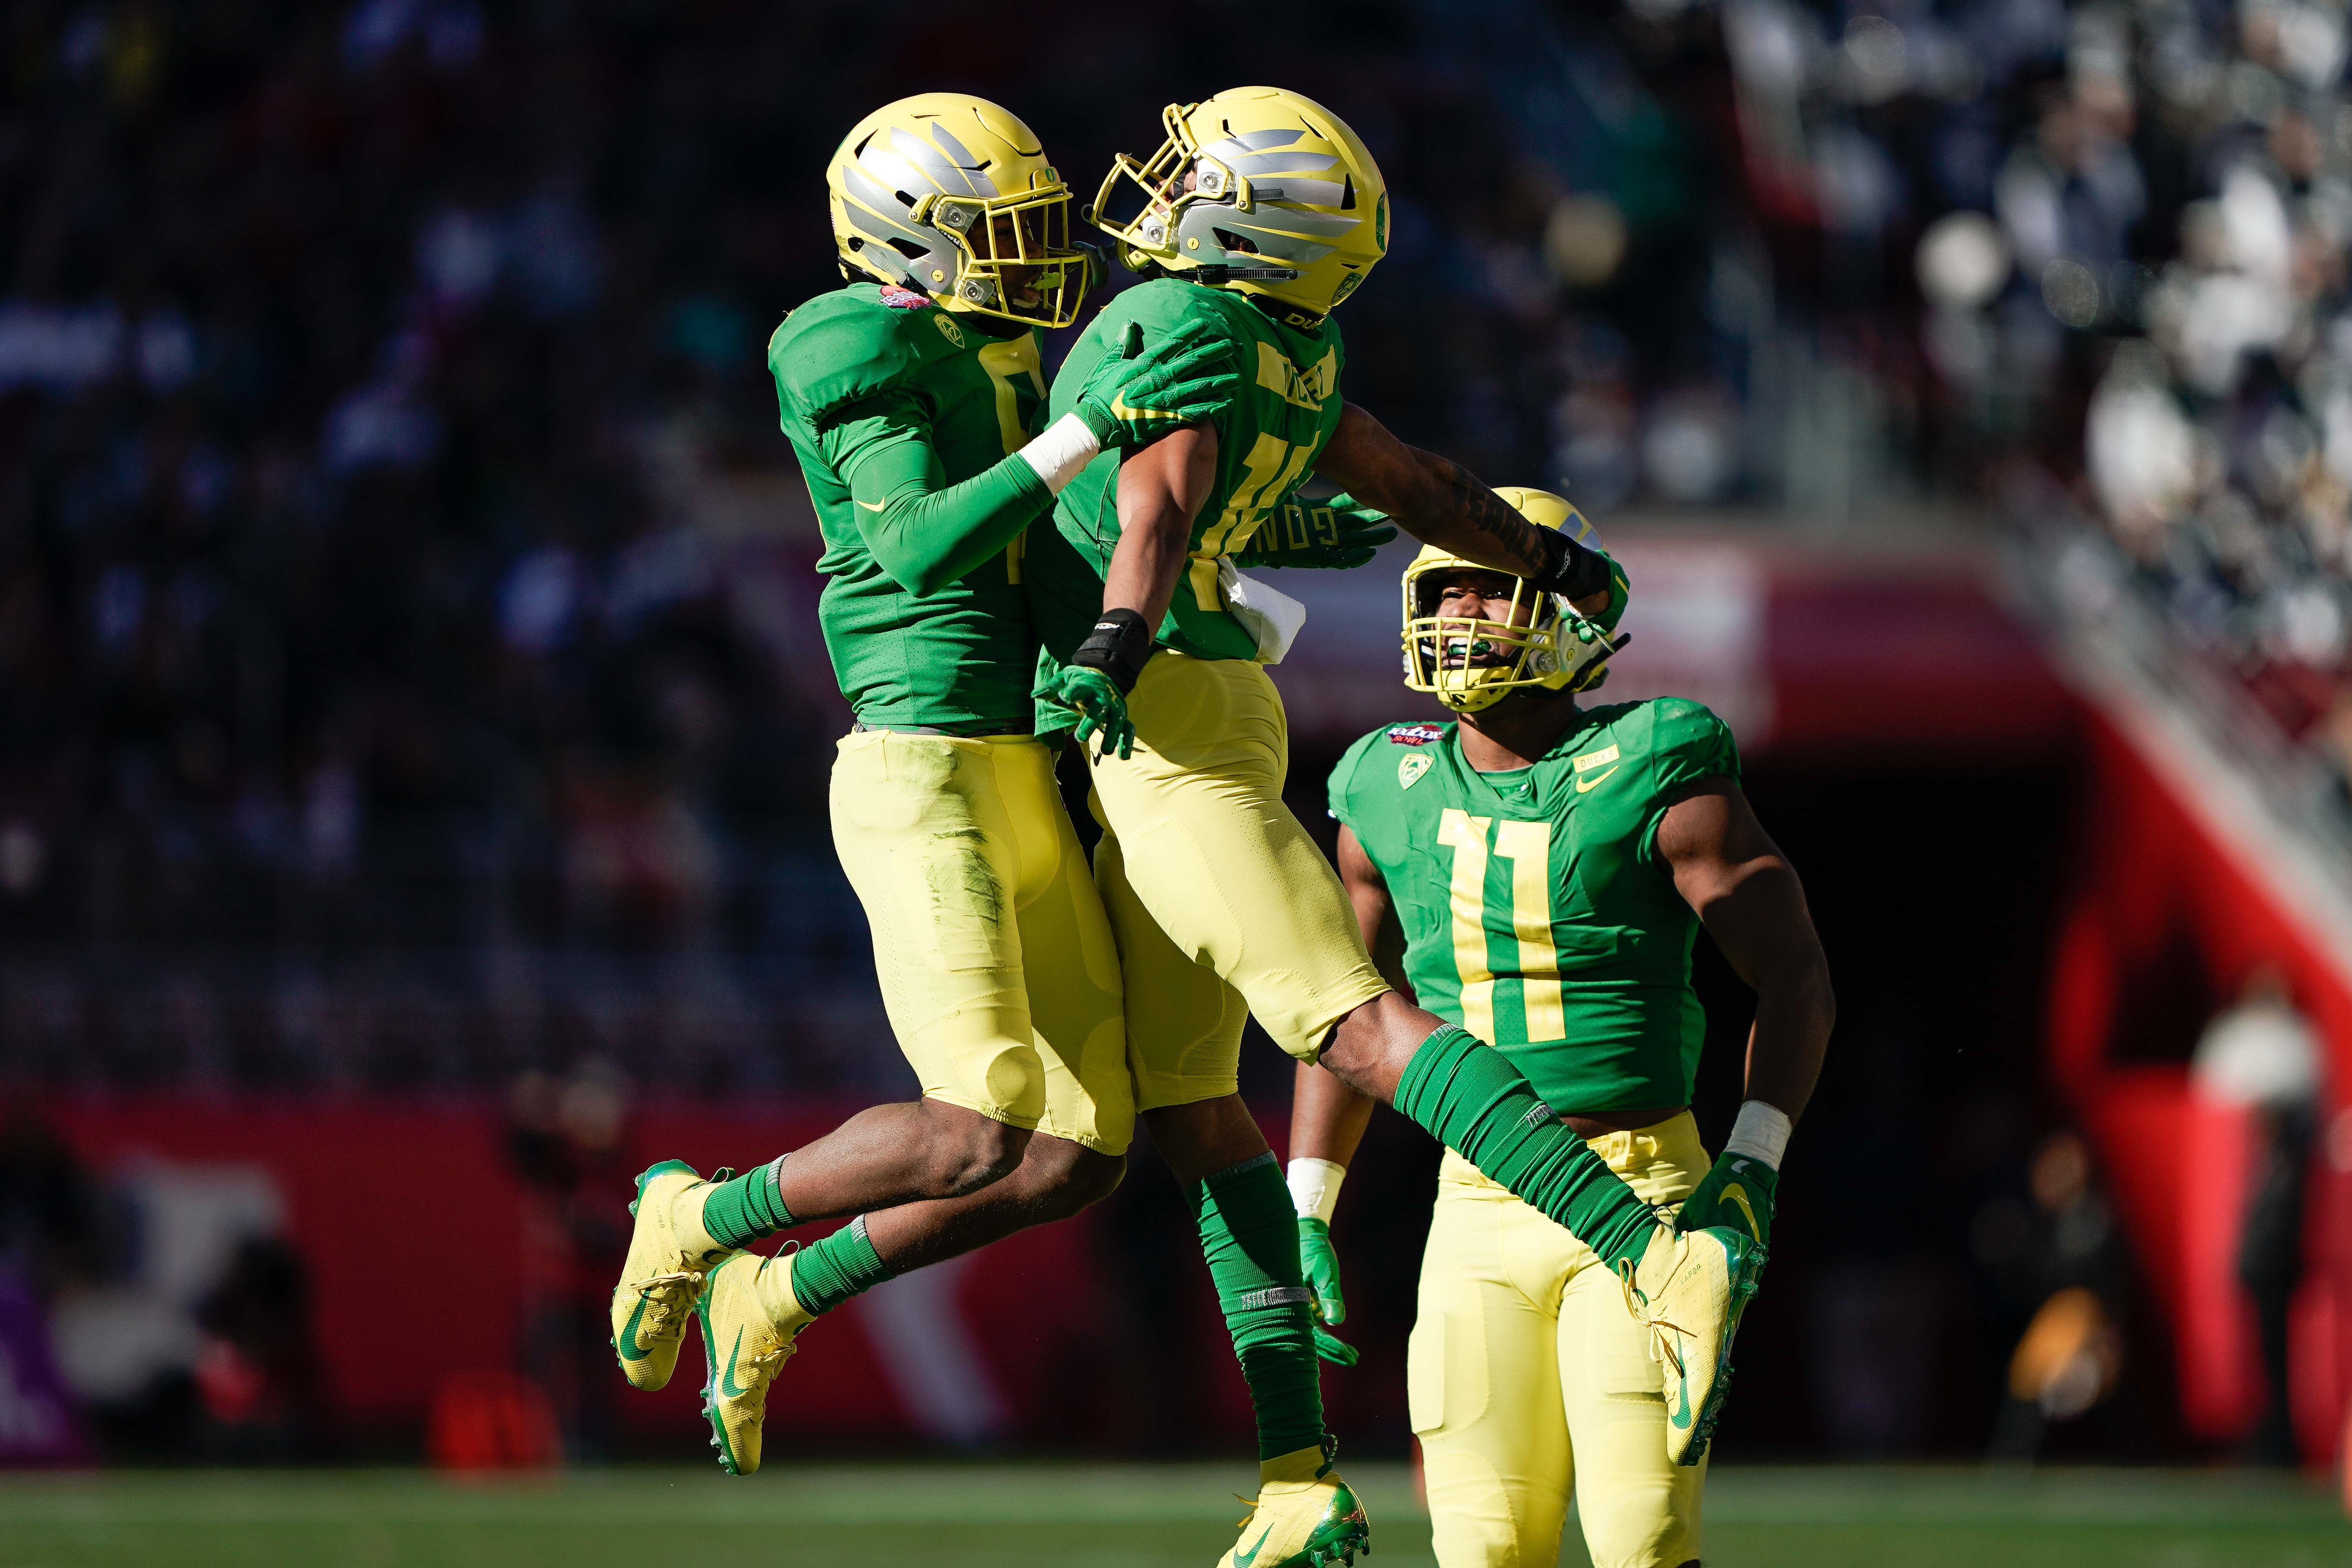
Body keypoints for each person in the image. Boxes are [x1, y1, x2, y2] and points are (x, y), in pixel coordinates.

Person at [1019, 87, 1766, 1568]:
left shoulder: (1186, 329)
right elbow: (1407, 487)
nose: (1165, 191)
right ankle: (1294, 1470)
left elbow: (1160, 504)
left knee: (1337, 1024)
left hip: (1164, 701)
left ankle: (1645, 1265)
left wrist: (1110, 637)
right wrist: (1536, 549)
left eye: (1200, 173)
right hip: (1464, 1191)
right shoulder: (1296, 364)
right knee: (1185, 1097)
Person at [607, 93, 1240, 1479]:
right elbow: (917, 550)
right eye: (995, 236)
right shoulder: (849, 338)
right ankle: (695, 1220)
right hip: (921, 766)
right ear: (904, 238)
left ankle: (777, 1293)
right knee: (975, 1129)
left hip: (1022, 758)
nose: (1031, 262)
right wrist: (1082, 440)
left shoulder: (990, 342)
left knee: (1081, 1149)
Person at [1287, 496, 1834, 1568]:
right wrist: (1309, 1201)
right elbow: (1342, 1011)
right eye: (1443, 587)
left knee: (1641, 1543)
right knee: (1484, 1548)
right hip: (1476, 1200)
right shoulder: (1379, 780)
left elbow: (1796, 971)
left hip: (1642, 1195)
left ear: (1573, 612)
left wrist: (1753, 1162)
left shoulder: (1659, 755)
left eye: (1491, 583)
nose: (1462, 611)